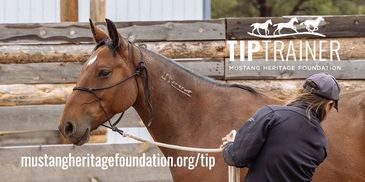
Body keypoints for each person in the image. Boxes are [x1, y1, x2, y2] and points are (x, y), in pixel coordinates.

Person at [222, 73, 341, 182]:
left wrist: (230, 145)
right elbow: (280, 163)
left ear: (302, 91)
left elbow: (237, 158)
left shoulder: (271, 114)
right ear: (329, 104)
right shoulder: (321, 142)